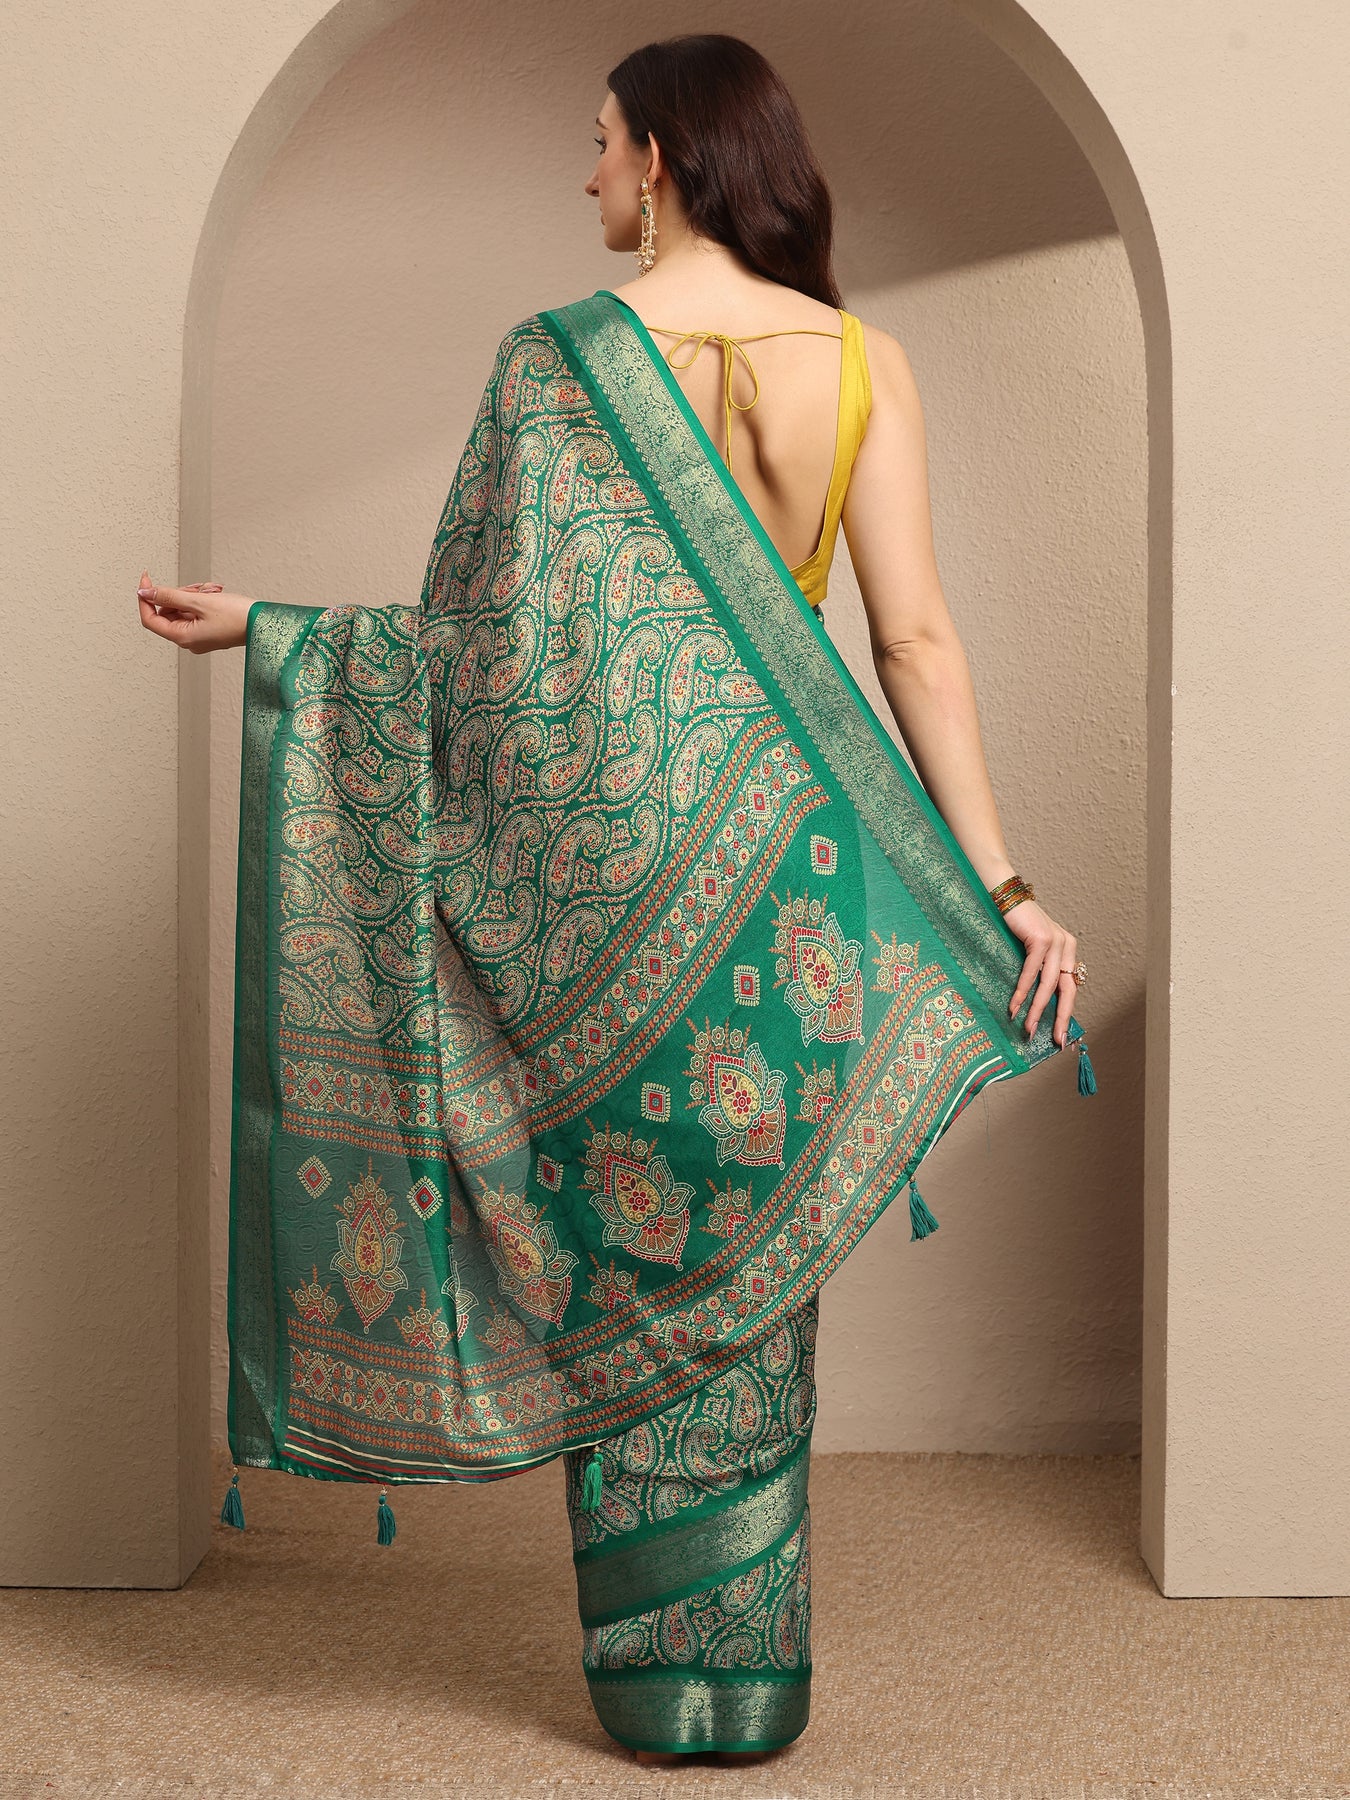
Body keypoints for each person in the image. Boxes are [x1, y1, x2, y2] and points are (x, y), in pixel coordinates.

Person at [138, 33, 1089, 1768]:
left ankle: (657, 1691)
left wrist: (276, 633)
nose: (583, 174)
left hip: (591, 896)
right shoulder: (859, 360)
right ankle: (747, 1681)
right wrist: (1001, 884)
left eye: (595, 143)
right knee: (748, 1259)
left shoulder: (555, 363)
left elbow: (472, 664)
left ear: (659, 156)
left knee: (621, 1250)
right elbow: (912, 643)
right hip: (784, 897)